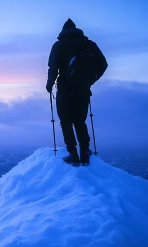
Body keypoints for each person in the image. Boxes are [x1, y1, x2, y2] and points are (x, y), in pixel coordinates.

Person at [46, 18, 108, 165]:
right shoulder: (89, 44)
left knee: (66, 121)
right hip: (83, 89)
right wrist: (91, 80)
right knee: (80, 121)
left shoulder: (59, 45)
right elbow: (103, 64)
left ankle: (73, 155)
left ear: (63, 31)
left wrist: (49, 85)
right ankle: (85, 152)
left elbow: (53, 68)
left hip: (65, 88)